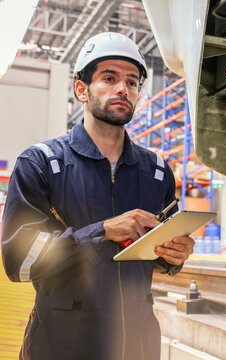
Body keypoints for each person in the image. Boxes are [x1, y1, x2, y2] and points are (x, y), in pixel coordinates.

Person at [1, 32, 194, 360]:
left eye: (132, 82)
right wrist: (100, 231)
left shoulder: (157, 171)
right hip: (62, 344)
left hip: (137, 343)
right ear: (81, 90)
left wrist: (174, 254)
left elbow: (158, 257)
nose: (123, 88)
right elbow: (19, 264)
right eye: (109, 78)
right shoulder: (42, 164)